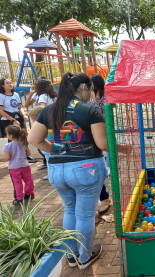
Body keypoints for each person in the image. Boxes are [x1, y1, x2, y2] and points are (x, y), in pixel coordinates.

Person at [28, 72, 131, 269]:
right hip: (86, 169)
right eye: (91, 89)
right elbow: (102, 143)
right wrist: (123, 148)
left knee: (70, 210)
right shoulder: (89, 110)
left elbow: (34, 139)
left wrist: (59, 149)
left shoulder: (48, 109)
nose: (91, 94)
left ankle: (71, 255)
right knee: (84, 215)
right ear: (83, 87)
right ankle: (84, 257)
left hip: (57, 170)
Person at [0, 78, 37, 163]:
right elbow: (1, 111)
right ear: (2, 85)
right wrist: (13, 120)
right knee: (12, 139)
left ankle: (26, 155)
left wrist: (24, 115)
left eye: (10, 82)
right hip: (8, 120)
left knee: (23, 136)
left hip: (18, 118)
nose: (10, 84)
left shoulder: (15, 94)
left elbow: (20, 107)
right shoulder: (1, 96)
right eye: (7, 83)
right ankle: (13, 157)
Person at [90, 73, 111, 215]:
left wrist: (94, 98)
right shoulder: (92, 98)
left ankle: (108, 167)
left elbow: (99, 112)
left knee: (106, 148)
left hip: (104, 127)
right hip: (95, 130)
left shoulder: (103, 97)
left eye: (92, 83)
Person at [29, 79, 57, 174]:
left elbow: (42, 109)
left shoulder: (42, 96)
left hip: (46, 123)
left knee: (48, 149)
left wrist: (40, 120)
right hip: (54, 121)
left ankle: (51, 172)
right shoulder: (54, 95)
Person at [3, 125, 35, 205]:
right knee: (29, 180)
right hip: (25, 165)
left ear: (11, 135)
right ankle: (30, 193)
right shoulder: (23, 143)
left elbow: (7, 158)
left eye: (7, 134)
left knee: (17, 182)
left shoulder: (8, 146)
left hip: (14, 167)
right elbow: (28, 154)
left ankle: (19, 198)